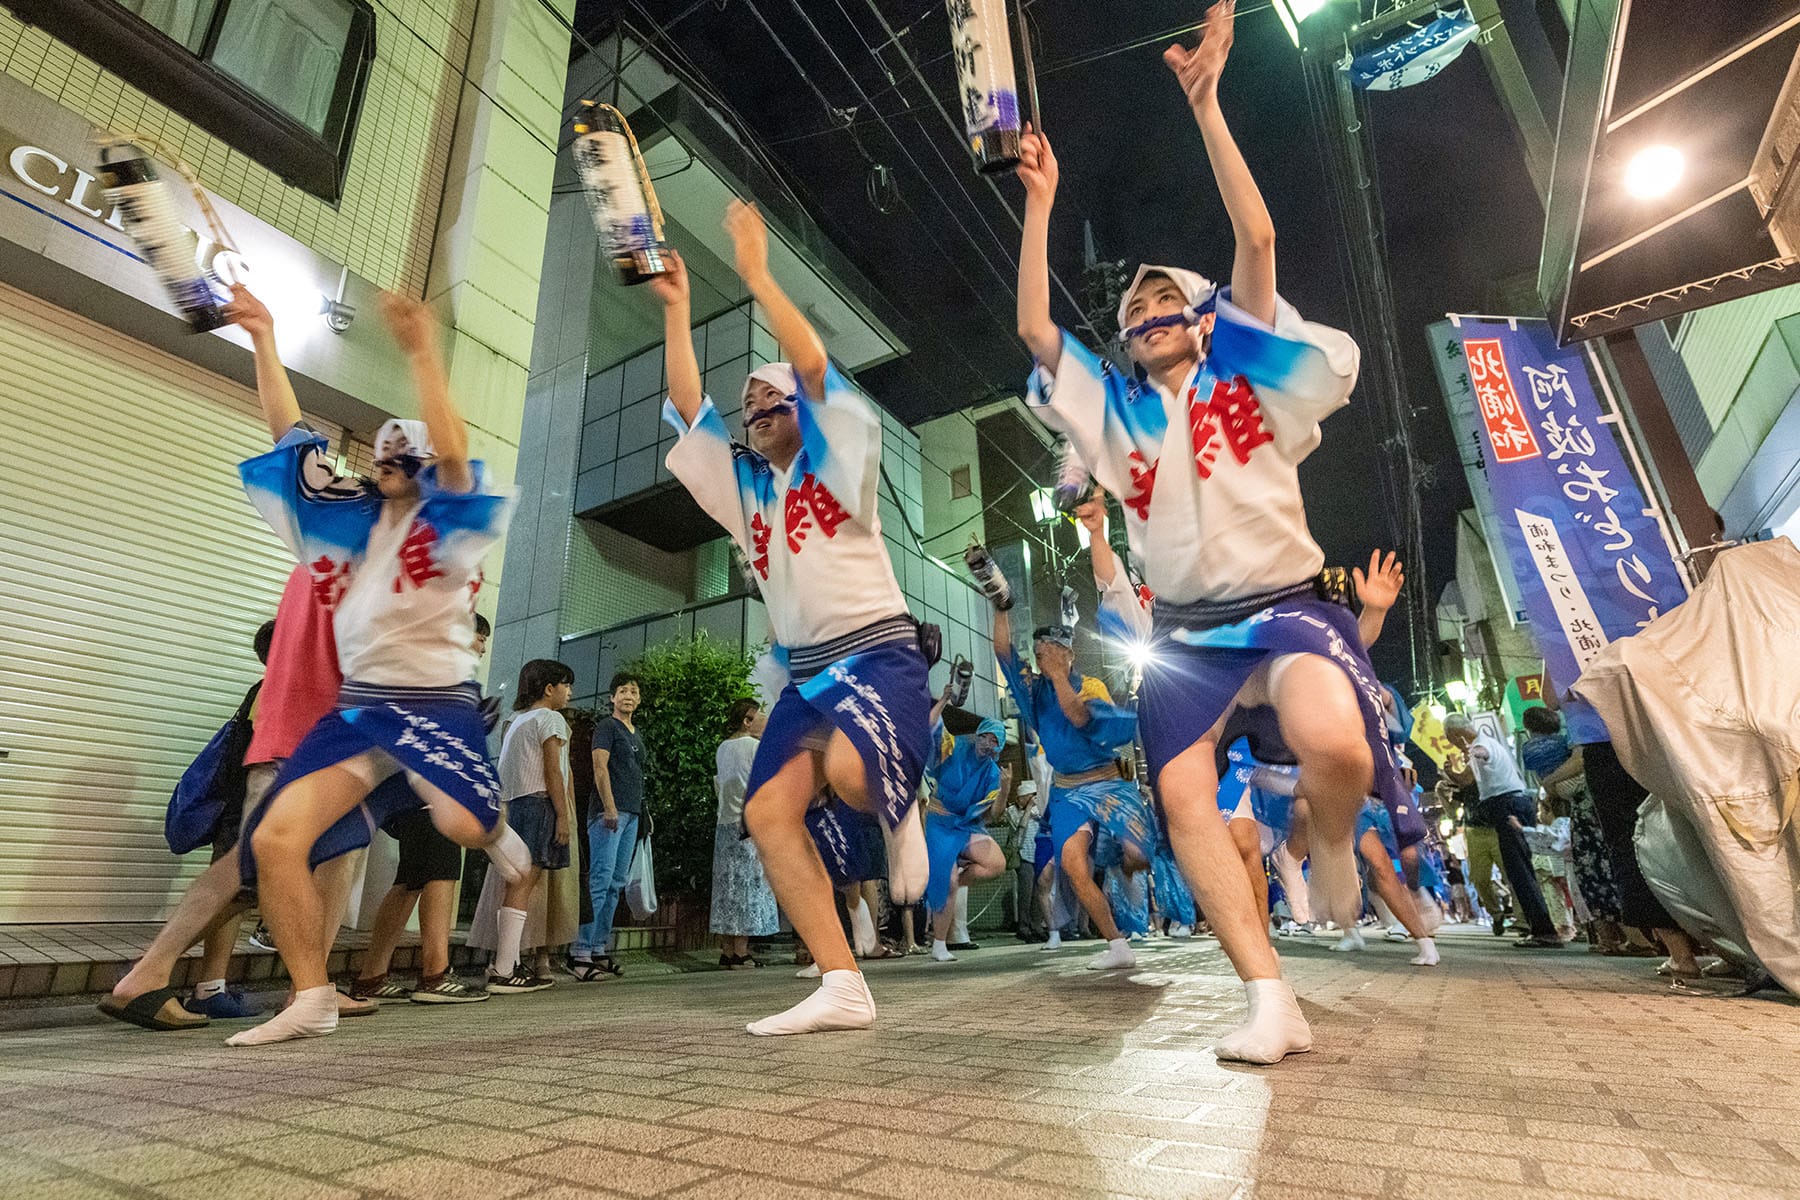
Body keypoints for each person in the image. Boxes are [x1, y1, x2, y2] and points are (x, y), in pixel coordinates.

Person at [1012, 1, 1406, 1063]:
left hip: (1283, 609)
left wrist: (1209, 105)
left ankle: (1330, 848)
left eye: (1164, 298)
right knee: (1185, 796)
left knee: (1334, 745)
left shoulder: (1246, 369)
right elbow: (1038, 330)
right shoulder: (1115, 408)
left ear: (1202, 316)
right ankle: (1268, 998)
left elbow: (1259, 238)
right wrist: (1039, 201)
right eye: (1131, 308)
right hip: (1183, 632)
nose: (1144, 310)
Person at [657, 201, 932, 1035]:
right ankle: (843, 983)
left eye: (768, 393)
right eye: (749, 403)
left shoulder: (838, 457)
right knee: (768, 814)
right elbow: (690, 412)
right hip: (809, 673)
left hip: (879, 653)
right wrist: (675, 310)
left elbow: (815, 368)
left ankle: (898, 802)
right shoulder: (747, 492)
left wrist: (758, 277)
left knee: (851, 776)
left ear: (802, 411)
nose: (754, 405)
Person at [225, 288, 526, 1046]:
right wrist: (264, 334)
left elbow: (457, 459)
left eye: (405, 452)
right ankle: (311, 995)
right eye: (381, 451)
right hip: (359, 708)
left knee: (460, 825)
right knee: (276, 839)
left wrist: (423, 351)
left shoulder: (450, 524)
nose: (388, 458)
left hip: (438, 702)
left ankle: (487, 817)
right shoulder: (344, 517)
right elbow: (287, 433)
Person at [349, 616, 498, 1006]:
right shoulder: (439, 671)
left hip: (404, 789)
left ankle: (371, 976)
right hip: (427, 788)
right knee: (441, 872)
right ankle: (434, 975)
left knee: (412, 878)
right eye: (479, 638)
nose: (481, 648)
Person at [470, 658, 577, 994]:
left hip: (513, 806)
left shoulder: (516, 721)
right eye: (566, 685)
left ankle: (505, 963)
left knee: (513, 881)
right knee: (523, 883)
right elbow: (554, 771)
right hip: (539, 804)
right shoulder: (550, 718)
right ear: (549, 689)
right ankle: (505, 969)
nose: (569, 693)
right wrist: (562, 815)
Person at [1442, 714, 1560, 949]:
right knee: (1519, 869)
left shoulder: (1480, 745)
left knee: (1519, 871)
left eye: (1450, 738)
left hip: (1506, 805)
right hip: (1511, 803)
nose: (1452, 743)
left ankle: (1544, 931)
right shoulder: (1489, 741)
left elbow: (1478, 759)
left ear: (1457, 734)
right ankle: (1540, 928)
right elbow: (1466, 779)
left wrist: (1469, 757)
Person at [923, 704, 1013, 963]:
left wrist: (1006, 789)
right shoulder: (956, 747)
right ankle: (939, 944)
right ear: (977, 735)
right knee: (948, 882)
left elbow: (993, 815)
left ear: (999, 746)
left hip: (966, 825)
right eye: (984, 736)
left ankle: (954, 878)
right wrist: (941, 702)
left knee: (997, 864)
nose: (986, 743)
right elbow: (933, 727)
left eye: (994, 740)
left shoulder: (993, 773)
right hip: (940, 822)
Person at [570, 672, 645, 981]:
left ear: (639, 699)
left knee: (616, 884)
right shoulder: (607, 727)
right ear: (613, 697)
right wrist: (610, 807)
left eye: (634, 692)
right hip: (608, 814)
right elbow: (600, 768)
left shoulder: (636, 733)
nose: (628, 696)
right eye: (622, 691)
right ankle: (579, 953)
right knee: (599, 881)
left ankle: (599, 948)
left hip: (632, 814)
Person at [712, 698, 779, 968]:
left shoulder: (722, 748)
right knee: (747, 887)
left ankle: (727, 951)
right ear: (746, 720)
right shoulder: (754, 747)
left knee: (726, 887)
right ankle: (742, 951)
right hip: (750, 824)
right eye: (758, 715)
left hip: (724, 823)